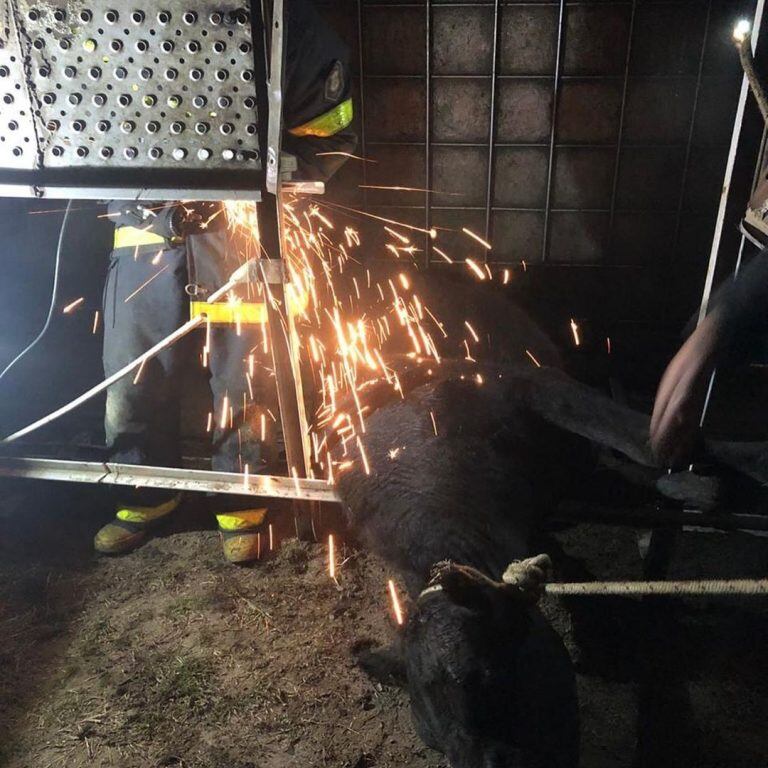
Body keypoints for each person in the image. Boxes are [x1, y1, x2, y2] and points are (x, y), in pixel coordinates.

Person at [95, 0, 355, 563]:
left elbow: (328, 130)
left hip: (236, 232)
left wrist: (274, 176)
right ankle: (145, 493)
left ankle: (242, 498)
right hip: (143, 226)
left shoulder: (292, 25)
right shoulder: (113, 15)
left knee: (243, 379)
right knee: (131, 373)